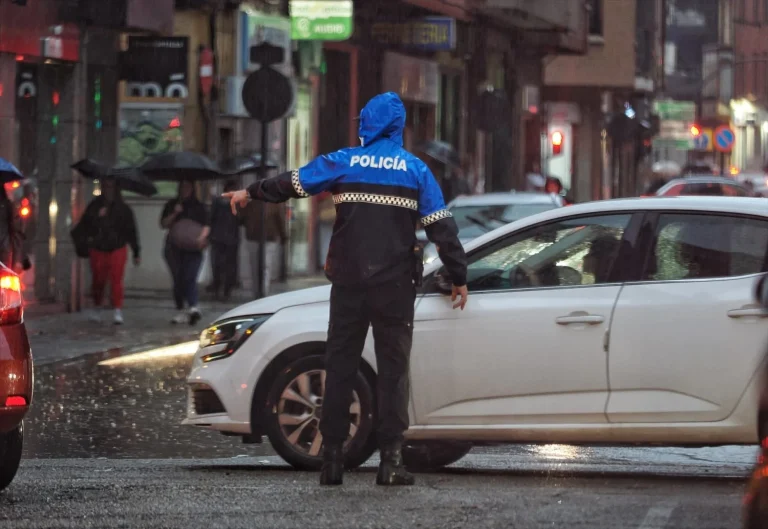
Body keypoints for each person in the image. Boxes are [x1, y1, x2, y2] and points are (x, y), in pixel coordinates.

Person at [225, 92, 468, 487]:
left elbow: (293, 183)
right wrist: (458, 275)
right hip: (395, 287)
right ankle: (391, 463)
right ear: (398, 127)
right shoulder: (416, 170)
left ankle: (332, 460)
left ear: (367, 124)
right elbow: (442, 228)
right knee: (393, 372)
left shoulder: (343, 161)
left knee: (340, 366)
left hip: (349, 283)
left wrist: (251, 192)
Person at [78, 178, 140, 324]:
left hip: (118, 247)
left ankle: (117, 309)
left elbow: (131, 231)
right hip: (98, 248)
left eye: (111, 187)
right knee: (98, 280)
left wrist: (136, 251)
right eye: (105, 187)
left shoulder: (123, 209)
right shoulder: (94, 206)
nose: (108, 190)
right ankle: (97, 306)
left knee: (116, 279)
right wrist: (97, 217)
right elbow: (85, 225)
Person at [160, 180, 209, 325]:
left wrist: (202, 238)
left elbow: (207, 225)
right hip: (174, 248)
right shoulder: (172, 204)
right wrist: (175, 213)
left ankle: (193, 306)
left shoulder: (199, 206)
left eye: (187, 187)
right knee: (178, 279)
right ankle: (181, 309)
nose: (184, 190)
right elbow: (163, 224)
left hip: (193, 248)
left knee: (190, 276)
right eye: (182, 187)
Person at [239, 194, 287, 298]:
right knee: (265, 267)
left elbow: (241, 217)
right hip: (264, 237)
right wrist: (283, 236)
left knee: (257, 267)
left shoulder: (252, 200)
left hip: (258, 237)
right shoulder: (275, 201)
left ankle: (259, 293)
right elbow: (280, 220)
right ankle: (261, 292)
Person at [208, 180, 241, 301]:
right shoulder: (219, 202)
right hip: (221, 238)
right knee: (219, 265)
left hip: (227, 239)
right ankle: (219, 289)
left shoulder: (236, 203)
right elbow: (211, 219)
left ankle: (225, 290)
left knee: (227, 266)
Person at [0, 185, 24, 275]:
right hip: (5, 248)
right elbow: (16, 230)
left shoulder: (8, 206)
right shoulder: (8, 205)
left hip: (4, 248)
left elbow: (16, 229)